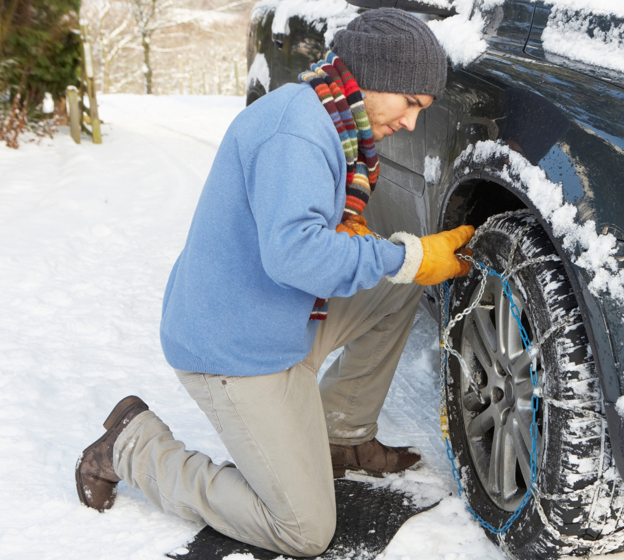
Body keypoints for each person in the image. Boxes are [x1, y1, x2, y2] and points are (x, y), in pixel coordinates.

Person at [75, 9, 473, 557]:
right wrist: (411, 254)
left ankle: (341, 437)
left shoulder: (330, 116)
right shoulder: (297, 133)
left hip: (279, 316)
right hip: (233, 347)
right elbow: (297, 255)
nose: (409, 123)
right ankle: (132, 448)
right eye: (411, 104)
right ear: (378, 76)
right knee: (304, 530)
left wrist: (398, 260)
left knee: (398, 285)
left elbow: (317, 239)